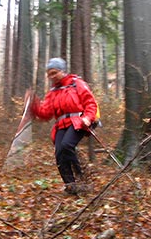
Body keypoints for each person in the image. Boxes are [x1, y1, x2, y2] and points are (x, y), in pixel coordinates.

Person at [29, 57, 99, 195]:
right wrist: (34, 104)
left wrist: (87, 118)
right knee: (59, 153)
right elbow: (45, 113)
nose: (52, 77)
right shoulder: (53, 92)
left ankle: (82, 179)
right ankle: (70, 185)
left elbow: (91, 103)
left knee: (67, 145)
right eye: (49, 74)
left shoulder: (77, 84)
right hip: (61, 125)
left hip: (79, 121)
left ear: (62, 71)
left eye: (54, 73)